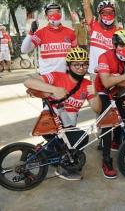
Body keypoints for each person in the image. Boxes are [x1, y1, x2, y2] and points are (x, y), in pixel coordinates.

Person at [23, 47, 101, 180]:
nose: (81, 68)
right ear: (69, 65)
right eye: (76, 64)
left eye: (84, 64)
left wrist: (94, 92)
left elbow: (97, 109)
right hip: (51, 124)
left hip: (67, 127)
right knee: (80, 138)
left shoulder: (87, 84)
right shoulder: (57, 76)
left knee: (71, 146)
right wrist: (54, 89)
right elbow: (28, 82)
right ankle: (62, 169)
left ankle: (36, 154)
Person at [95, 30, 125, 179]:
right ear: (114, 45)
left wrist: (117, 79)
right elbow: (106, 82)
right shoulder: (104, 57)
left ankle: (117, 143)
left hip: (120, 91)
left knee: (122, 117)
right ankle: (106, 160)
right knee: (108, 125)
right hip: (102, 92)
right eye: (121, 44)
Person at [80, 0, 119, 79]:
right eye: (104, 12)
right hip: (94, 73)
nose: (108, 15)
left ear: (115, 14)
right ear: (99, 14)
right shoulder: (94, 25)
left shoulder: (118, 31)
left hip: (111, 74)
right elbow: (86, 6)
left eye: (111, 12)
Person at [21, 3, 76, 75]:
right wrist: (31, 33)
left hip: (66, 76)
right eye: (51, 12)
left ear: (61, 15)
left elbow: (75, 55)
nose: (55, 14)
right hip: (46, 75)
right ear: (46, 16)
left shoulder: (70, 33)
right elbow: (24, 50)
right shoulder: (40, 33)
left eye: (58, 11)